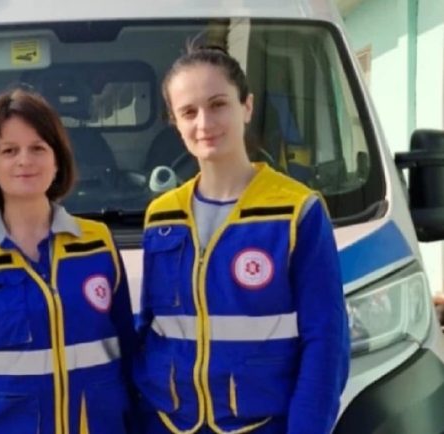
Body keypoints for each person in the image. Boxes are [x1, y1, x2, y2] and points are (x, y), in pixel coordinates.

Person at [134, 46, 350, 434]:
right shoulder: (162, 216)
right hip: (169, 424)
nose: (204, 123)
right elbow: (152, 328)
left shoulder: (296, 211)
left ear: (246, 107)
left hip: (262, 425)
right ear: (175, 123)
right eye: (189, 112)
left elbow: (326, 342)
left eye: (218, 104)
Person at [0, 88, 138, 434]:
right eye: (9, 150)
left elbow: (128, 353)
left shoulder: (98, 243)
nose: (24, 160)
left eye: (38, 148)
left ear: (57, 161)